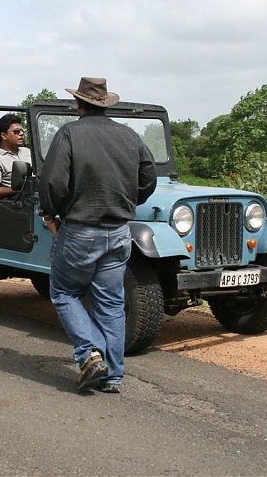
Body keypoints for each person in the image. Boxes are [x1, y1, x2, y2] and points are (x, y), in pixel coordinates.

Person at [39, 77, 157, 393]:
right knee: (110, 302)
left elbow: (52, 183)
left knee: (64, 292)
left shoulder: (68, 134)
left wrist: (50, 214)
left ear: (78, 105)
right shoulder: (129, 136)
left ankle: (90, 352)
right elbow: (148, 178)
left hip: (80, 231)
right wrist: (129, 201)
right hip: (119, 233)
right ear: (105, 105)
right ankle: (112, 376)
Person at [0, 113, 32, 199]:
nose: (21, 133)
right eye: (16, 131)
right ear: (4, 135)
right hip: (16, 202)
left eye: (22, 130)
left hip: (37, 195)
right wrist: (21, 189)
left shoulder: (28, 152)